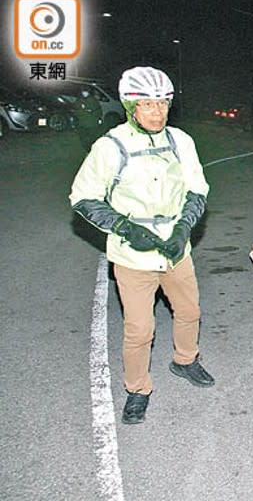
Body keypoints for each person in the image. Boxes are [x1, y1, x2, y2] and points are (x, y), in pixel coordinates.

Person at [69, 66, 213, 425]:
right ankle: (138, 389)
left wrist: (183, 230)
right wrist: (126, 228)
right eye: (147, 104)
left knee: (189, 311)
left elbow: (197, 189)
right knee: (139, 329)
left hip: (176, 249)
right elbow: (83, 197)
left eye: (163, 103)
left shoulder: (181, 141)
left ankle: (185, 360)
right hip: (133, 255)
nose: (157, 112)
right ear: (130, 106)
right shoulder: (110, 146)